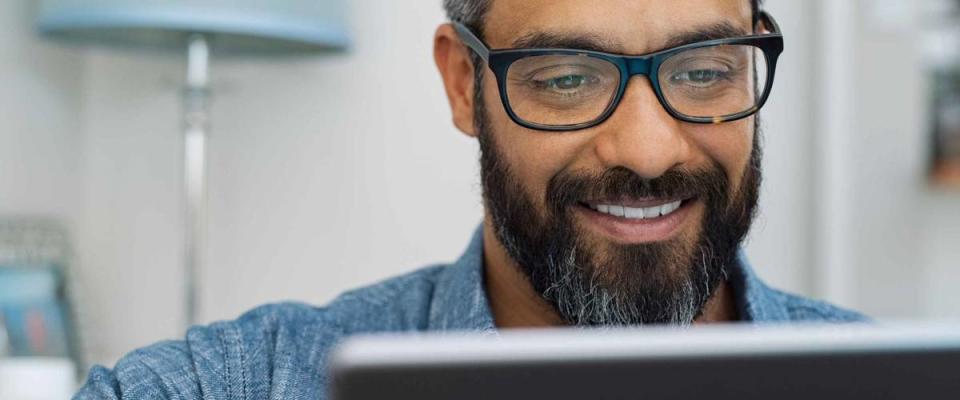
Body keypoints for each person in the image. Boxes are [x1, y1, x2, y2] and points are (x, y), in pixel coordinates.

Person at [74, 0, 866, 398]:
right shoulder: (249, 385)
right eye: (567, 78)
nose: (649, 150)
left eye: (703, 70)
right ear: (463, 84)